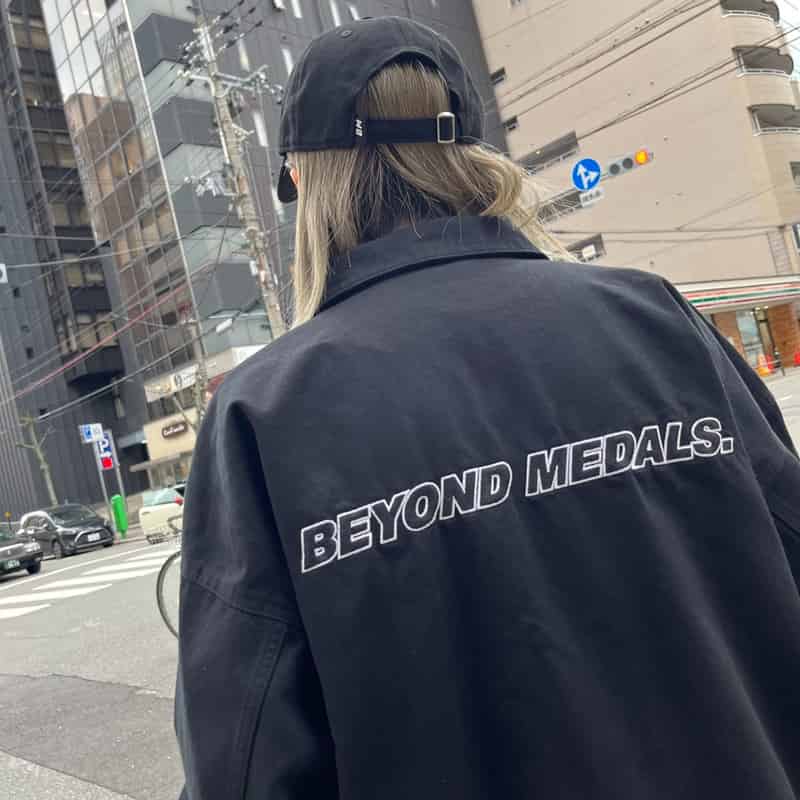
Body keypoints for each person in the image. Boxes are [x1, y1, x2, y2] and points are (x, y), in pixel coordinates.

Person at [175, 16, 800, 800]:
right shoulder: (654, 319)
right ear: (470, 153)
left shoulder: (265, 414)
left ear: (304, 181)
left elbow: (247, 761)